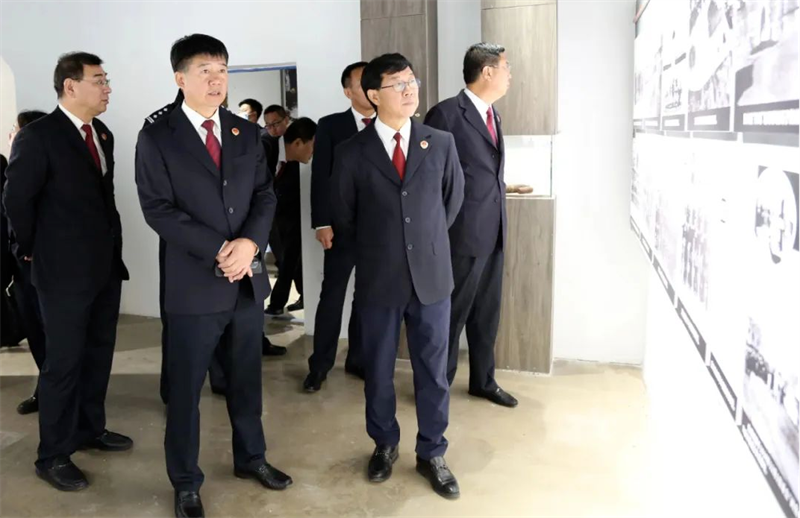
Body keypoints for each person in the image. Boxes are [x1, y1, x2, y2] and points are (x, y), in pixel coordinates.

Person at [135, 34, 291, 518]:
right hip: (194, 284)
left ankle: (252, 458)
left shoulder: (245, 132)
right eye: (205, 70)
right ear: (180, 78)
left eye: (222, 69)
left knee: (246, 379)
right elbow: (157, 208)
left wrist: (249, 245)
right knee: (185, 391)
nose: (216, 79)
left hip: (245, 279)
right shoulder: (158, 134)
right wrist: (220, 248)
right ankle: (185, 481)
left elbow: (264, 194)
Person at [331, 53, 464, 499]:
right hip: (379, 279)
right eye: (397, 84)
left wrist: (422, 244)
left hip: (432, 278)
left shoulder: (439, 143)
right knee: (379, 370)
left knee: (433, 371)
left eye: (412, 81)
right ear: (373, 95)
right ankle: (384, 443)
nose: (409, 90)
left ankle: (432, 451)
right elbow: (345, 216)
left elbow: (451, 204)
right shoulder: (352, 152)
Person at [3, 51, 132, 492]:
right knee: (63, 364)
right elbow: (16, 200)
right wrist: (29, 249)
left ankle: (90, 429)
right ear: (70, 86)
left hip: (104, 267)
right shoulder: (38, 136)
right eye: (99, 80)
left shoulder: (102, 134)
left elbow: (103, 199)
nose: (107, 88)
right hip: (61, 273)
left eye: (106, 79)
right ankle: (53, 455)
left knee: (98, 354)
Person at [424, 43, 518, 408]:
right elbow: (429, 180)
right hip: (460, 235)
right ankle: (437, 388)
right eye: (506, 68)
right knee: (450, 317)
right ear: (488, 71)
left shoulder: (493, 115)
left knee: (486, 315)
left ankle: (483, 381)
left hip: (493, 232)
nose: (510, 75)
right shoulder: (446, 114)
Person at [303, 61, 374, 392]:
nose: (370, 88)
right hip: (341, 228)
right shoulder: (331, 125)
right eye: (362, 83)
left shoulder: (391, 122)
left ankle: (357, 359)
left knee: (367, 297)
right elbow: (321, 177)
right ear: (348, 92)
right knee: (332, 295)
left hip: (379, 230)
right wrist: (322, 222)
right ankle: (319, 365)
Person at [6, 110, 49, 414]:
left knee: (49, 331)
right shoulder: (9, 167)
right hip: (18, 266)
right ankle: (45, 389)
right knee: (34, 331)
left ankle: (57, 392)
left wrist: (29, 246)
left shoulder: (44, 171)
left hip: (39, 262)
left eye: (16, 129)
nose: (12, 135)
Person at [264, 118, 315, 316]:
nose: (313, 152)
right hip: (255, 223)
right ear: (298, 143)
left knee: (289, 258)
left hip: (284, 219)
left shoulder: (291, 163)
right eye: (313, 146)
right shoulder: (263, 149)